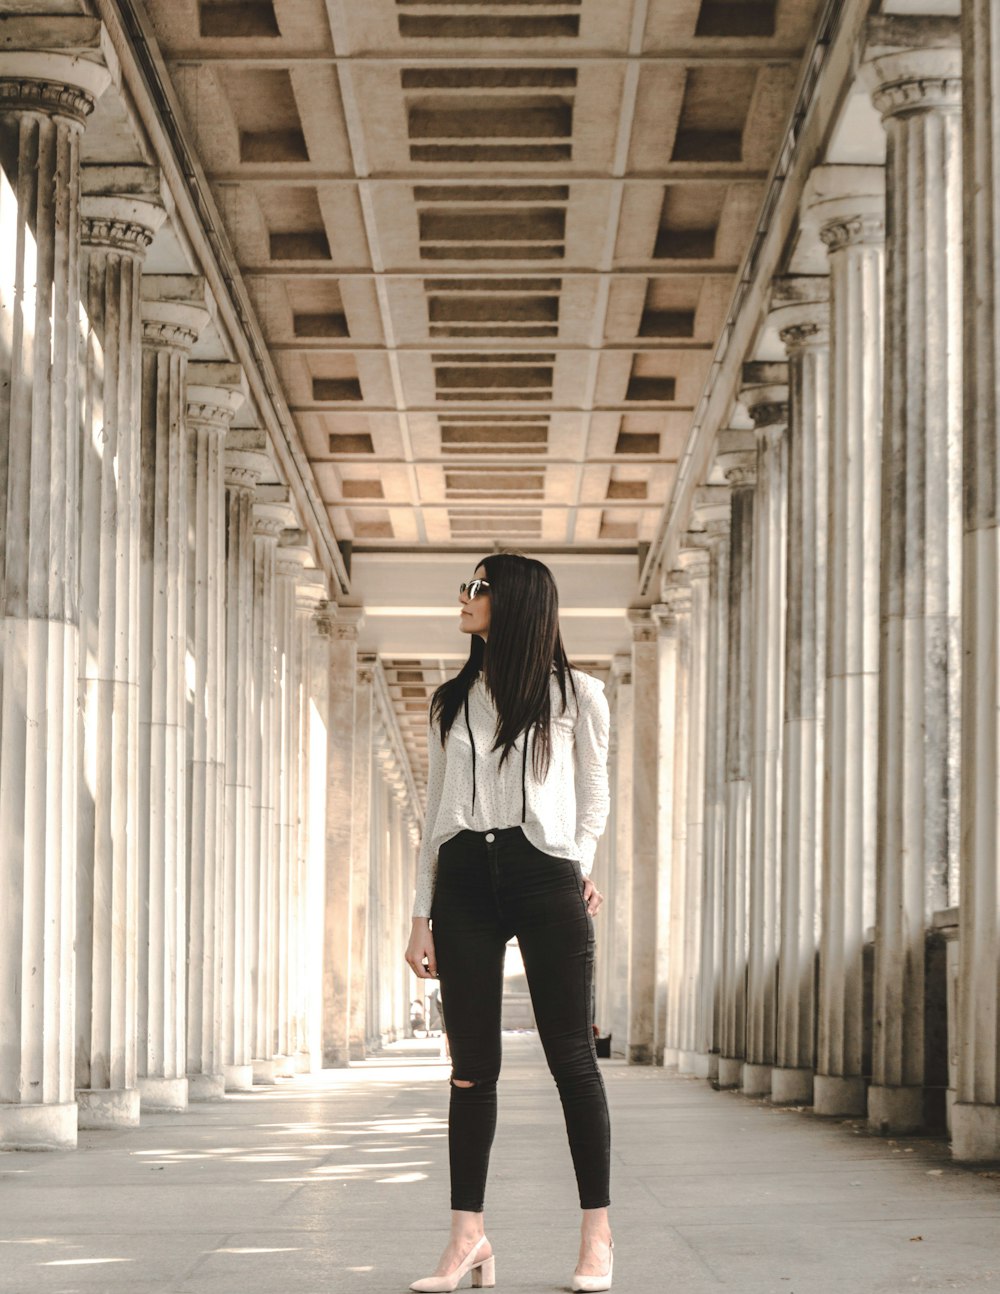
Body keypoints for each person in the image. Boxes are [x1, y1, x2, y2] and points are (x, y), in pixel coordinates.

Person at [404, 552, 614, 1293]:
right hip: (462, 880)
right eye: (466, 585)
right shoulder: (450, 700)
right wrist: (421, 912)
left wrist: (580, 862)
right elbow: (434, 815)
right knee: (470, 1070)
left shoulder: (578, 696)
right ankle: (468, 1238)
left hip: (542, 873)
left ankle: (597, 1239)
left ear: (518, 601)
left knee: (571, 1059)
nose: (463, 595)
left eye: (479, 587)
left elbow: (594, 797)